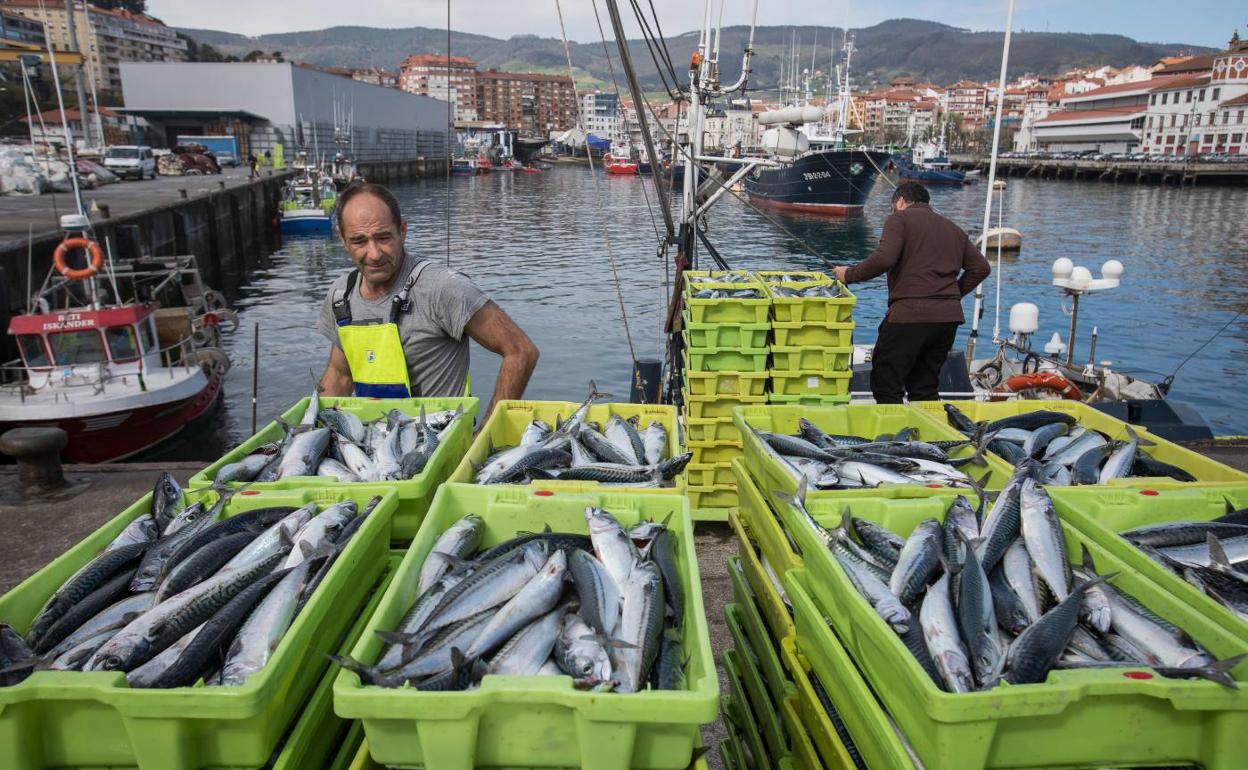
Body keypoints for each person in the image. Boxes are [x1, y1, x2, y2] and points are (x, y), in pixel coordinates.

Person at [317, 182, 539, 420]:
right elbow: (340, 374)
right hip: (373, 444)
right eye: (359, 241)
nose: (374, 254)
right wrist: (312, 430)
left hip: (441, 443)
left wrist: (487, 431)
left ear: (402, 230)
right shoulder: (341, 295)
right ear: (342, 239)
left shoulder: (444, 288)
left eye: (383, 237)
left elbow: (521, 351)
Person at [833, 182, 990, 404]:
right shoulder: (953, 228)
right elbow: (981, 268)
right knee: (925, 385)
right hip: (947, 320)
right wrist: (952, 294)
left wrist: (849, 274)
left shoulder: (899, 219)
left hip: (909, 315)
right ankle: (927, 435)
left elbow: (884, 258)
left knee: (886, 381)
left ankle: (894, 433)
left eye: (893, 206)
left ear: (900, 201)